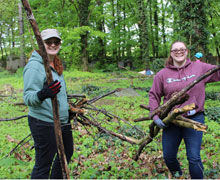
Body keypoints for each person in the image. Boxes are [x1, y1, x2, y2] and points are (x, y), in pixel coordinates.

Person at [148, 41, 220, 179]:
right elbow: (153, 95)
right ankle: (178, 176)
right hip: (171, 120)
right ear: (171, 53)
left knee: (194, 158)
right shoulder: (162, 74)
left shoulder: (199, 68)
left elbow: (218, 72)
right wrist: (155, 117)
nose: (179, 52)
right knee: (168, 157)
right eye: (175, 50)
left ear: (187, 52)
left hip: (194, 118)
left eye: (182, 49)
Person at [23, 29, 73, 179]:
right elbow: (28, 97)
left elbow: (59, 93)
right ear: (41, 43)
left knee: (66, 154)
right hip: (43, 122)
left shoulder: (55, 63)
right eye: (48, 42)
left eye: (56, 42)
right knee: (44, 163)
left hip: (62, 121)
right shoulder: (35, 66)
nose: (53, 45)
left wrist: (67, 108)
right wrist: (42, 93)